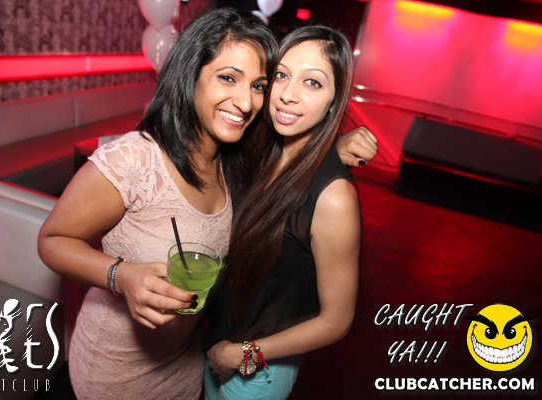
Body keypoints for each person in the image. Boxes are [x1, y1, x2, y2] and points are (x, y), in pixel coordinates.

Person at [38, 8, 374, 400]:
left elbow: (294, 160)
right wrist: (121, 276)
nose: (245, 101)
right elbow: (52, 239)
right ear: (191, 74)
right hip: (116, 374)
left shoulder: (236, 162)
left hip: (189, 365)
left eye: (258, 85)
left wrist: (330, 150)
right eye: (228, 77)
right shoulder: (137, 160)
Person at [204, 24, 362, 400]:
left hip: (256, 371)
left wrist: (242, 354)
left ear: (334, 101)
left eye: (313, 83)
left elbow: (337, 321)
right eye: (281, 75)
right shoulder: (259, 151)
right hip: (214, 344)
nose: (288, 95)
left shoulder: (334, 198)